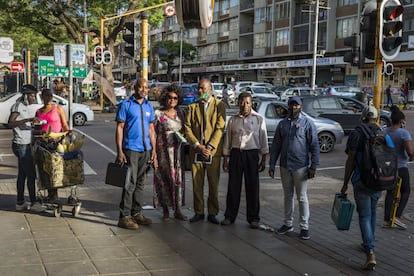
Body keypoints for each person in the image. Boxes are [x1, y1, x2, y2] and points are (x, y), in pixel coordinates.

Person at [268, 96, 320, 240]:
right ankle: (287, 223)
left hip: (301, 167)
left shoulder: (307, 123)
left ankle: (304, 226)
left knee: (302, 197)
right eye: (291, 105)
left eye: (296, 105)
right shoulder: (282, 124)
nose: (293, 108)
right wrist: (272, 164)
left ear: (301, 107)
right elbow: (276, 147)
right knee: (287, 196)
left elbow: (314, 146)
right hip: (285, 166)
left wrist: (313, 166)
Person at [341, 106, 383, 270]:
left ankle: (370, 251)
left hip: (361, 181)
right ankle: (369, 242)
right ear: (376, 118)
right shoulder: (382, 132)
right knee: (372, 213)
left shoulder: (357, 133)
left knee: (364, 216)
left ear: (363, 117)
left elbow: (351, 160)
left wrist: (345, 183)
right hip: (379, 180)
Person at [221, 92, 269, 228]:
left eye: (247, 102)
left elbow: (263, 140)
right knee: (233, 186)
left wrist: (263, 159)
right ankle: (229, 216)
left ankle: (253, 218)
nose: (245, 105)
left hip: (252, 155)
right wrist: (225, 159)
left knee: (252, 187)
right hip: (236, 154)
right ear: (238, 103)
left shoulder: (259, 119)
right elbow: (228, 140)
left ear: (251, 103)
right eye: (242, 102)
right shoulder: (232, 120)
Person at [116, 78, 157, 230]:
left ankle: (136, 212)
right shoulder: (126, 105)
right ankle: (124, 216)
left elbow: (152, 130)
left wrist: (154, 150)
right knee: (129, 183)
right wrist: (119, 150)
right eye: (141, 87)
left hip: (145, 149)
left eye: (146, 88)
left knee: (140, 182)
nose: (143, 90)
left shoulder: (149, 106)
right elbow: (120, 127)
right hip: (130, 149)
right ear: (135, 88)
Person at [184, 78, 226, 224]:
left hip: (212, 153)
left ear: (210, 89)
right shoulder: (192, 107)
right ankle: (199, 211)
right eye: (199, 89)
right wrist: (197, 145)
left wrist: (209, 147)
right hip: (197, 151)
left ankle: (213, 212)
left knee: (213, 183)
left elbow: (220, 128)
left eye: (203, 88)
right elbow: (187, 128)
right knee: (197, 183)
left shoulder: (219, 106)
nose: (200, 91)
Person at [8, 85, 46, 212]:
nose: (33, 98)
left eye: (34, 95)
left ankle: (20, 202)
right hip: (20, 145)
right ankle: (34, 202)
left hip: (27, 143)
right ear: (25, 95)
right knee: (31, 174)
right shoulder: (18, 106)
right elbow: (10, 123)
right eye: (31, 95)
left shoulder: (27, 107)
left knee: (22, 174)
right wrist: (27, 119)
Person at [153, 84, 187, 221]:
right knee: (163, 180)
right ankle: (165, 210)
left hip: (177, 153)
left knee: (178, 181)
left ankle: (178, 210)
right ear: (164, 98)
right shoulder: (158, 114)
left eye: (175, 98)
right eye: (169, 97)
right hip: (163, 153)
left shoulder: (181, 114)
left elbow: (186, 130)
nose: (172, 100)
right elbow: (153, 134)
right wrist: (153, 154)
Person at [35, 88, 70, 202]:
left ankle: (55, 192)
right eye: (46, 96)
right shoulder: (39, 111)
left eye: (51, 96)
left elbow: (64, 124)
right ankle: (51, 192)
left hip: (56, 142)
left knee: (56, 168)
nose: (49, 98)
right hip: (43, 143)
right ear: (42, 97)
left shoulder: (58, 109)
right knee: (45, 169)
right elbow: (36, 128)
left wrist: (67, 133)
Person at [383, 106, 414, 229]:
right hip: (401, 167)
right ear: (402, 121)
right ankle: (397, 216)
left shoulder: (384, 131)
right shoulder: (403, 133)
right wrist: (411, 157)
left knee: (390, 192)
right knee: (405, 191)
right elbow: (410, 152)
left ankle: (387, 219)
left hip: (388, 167)